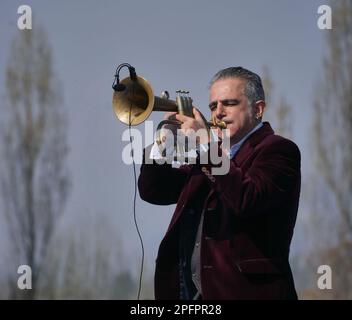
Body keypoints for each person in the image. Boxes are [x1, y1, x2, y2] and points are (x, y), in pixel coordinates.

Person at [138, 67, 301, 300]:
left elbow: (246, 198)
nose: (218, 112)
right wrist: (163, 142)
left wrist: (205, 146)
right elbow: (154, 191)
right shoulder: (211, 157)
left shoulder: (278, 150)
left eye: (229, 103)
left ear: (258, 109)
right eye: (213, 106)